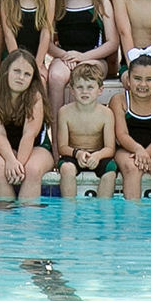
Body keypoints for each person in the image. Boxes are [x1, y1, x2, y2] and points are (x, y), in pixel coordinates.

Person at [45, 0, 118, 110]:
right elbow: (47, 43)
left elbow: (112, 43)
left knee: (81, 76)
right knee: (56, 76)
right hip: (65, 57)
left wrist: (83, 57)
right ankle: (56, 124)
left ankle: (76, 124)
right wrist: (65, 56)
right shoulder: (58, 4)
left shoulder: (101, 4)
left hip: (94, 58)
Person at [0, 50, 52, 202]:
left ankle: (27, 214)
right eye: (16, 71)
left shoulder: (35, 98)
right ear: (6, 71)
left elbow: (29, 134)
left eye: (27, 74)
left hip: (38, 148)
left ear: (33, 79)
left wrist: (17, 165)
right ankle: (6, 213)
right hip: (8, 148)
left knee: (32, 169)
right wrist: (10, 159)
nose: (21, 77)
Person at [112, 54, 151, 201]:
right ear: (128, 80)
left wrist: (146, 153)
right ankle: (132, 213)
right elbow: (121, 135)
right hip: (127, 149)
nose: (143, 84)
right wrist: (138, 150)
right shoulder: (119, 101)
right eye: (137, 78)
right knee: (131, 167)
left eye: (149, 80)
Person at [56, 62, 120, 199]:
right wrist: (77, 153)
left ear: (100, 90)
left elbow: (110, 148)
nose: (84, 92)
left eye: (90, 87)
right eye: (80, 87)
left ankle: (103, 208)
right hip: (74, 154)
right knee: (66, 169)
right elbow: (62, 147)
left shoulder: (106, 113)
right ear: (72, 90)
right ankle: (68, 208)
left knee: (110, 171)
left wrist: (97, 156)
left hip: (98, 155)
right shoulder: (65, 112)